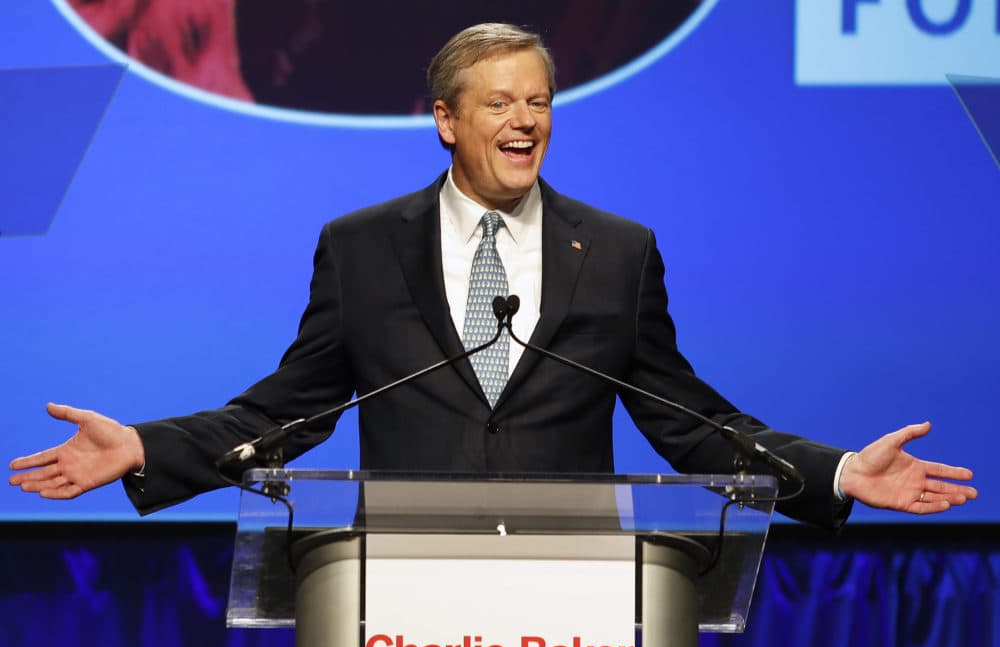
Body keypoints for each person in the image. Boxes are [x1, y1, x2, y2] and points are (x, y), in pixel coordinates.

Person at [9, 23, 976, 526]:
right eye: (501, 102)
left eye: (542, 102)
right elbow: (287, 412)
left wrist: (840, 472)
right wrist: (143, 447)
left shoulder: (620, 251)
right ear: (446, 120)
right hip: (402, 596)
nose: (527, 121)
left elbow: (690, 422)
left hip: (575, 599)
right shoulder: (360, 246)